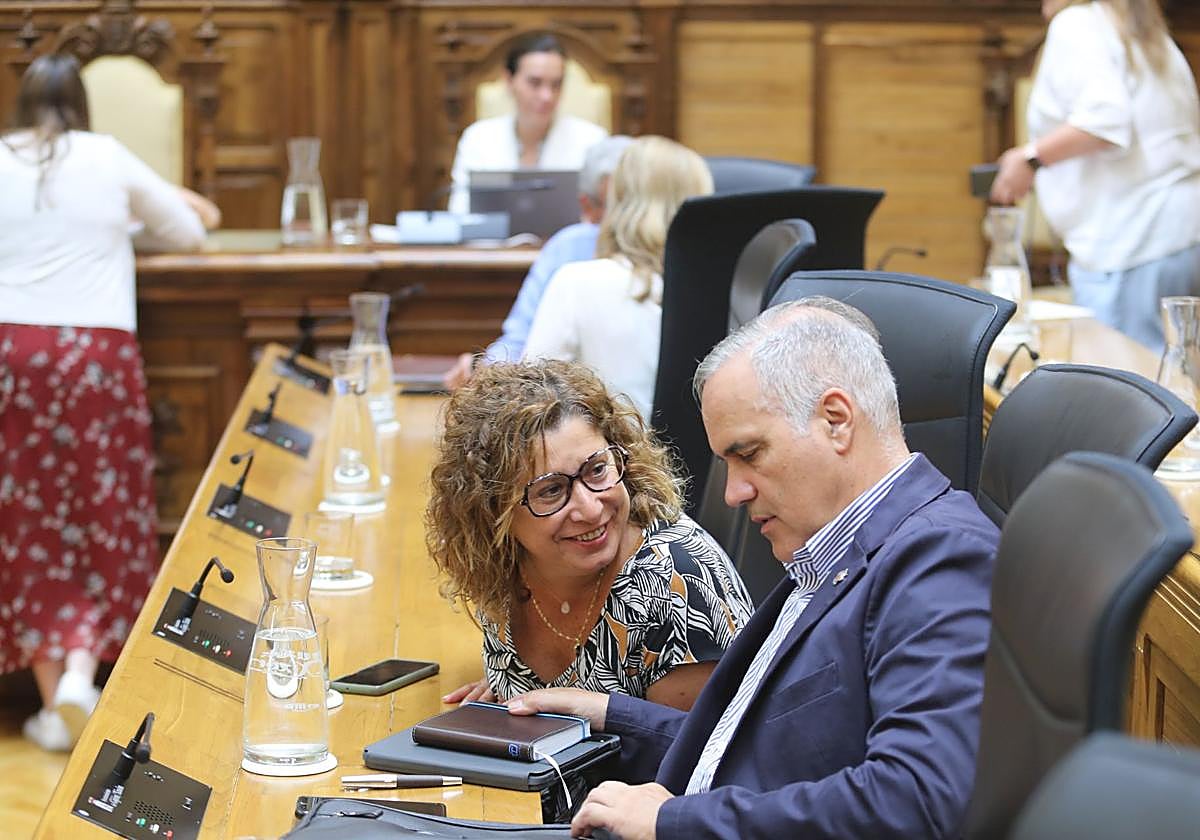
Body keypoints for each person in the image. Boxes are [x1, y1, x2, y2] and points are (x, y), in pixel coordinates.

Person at [508, 298, 1001, 839]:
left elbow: (917, 801)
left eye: (750, 454)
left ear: (836, 421)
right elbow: (757, 747)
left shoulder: (940, 557)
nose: (733, 492)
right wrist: (607, 712)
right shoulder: (827, 555)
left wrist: (673, 823)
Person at [0, 54, 213, 751]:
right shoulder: (105, 154)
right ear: (80, 106)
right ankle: (80, 677)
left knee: (24, 521)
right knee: (105, 508)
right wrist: (120, 225)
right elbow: (190, 234)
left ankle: (47, 695)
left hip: (14, 353)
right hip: (94, 356)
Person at [427, 359, 754, 711]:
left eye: (596, 470)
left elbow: (690, 753)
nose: (591, 509)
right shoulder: (504, 560)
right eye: (551, 490)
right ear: (493, 512)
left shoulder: (677, 584)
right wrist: (506, 690)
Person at [991, 0, 1200, 351]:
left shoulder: (1078, 25)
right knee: (1175, 377)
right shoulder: (1146, 31)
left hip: (1131, 242)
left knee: (1132, 389)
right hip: (1180, 238)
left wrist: (1028, 158)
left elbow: (1105, 121)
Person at [523, 136, 713, 419]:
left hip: (616, 461)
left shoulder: (576, 284)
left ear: (618, 202)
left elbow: (529, 404)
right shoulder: (720, 289)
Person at [443, 135, 634, 389]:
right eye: (615, 205)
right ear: (588, 207)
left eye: (633, 203)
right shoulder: (566, 248)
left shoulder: (670, 253)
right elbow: (519, 337)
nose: (630, 217)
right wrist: (486, 369)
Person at [447, 32, 608, 215]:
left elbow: (600, 219)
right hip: (491, 244)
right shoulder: (478, 138)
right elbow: (460, 212)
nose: (547, 96)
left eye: (556, 84)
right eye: (535, 83)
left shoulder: (592, 141)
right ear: (509, 81)